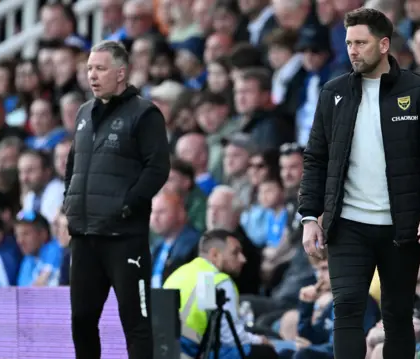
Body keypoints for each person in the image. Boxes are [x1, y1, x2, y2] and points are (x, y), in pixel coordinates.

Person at [297, 8, 420, 359]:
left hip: (401, 224)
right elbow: (315, 159)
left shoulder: (419, 91)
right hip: (348, 225)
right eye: (349, 43)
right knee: (348, 309)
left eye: (361, 43)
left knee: (397, 316)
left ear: (384, 44)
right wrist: (309, 216)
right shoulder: (333, 93)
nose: (353, 50)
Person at [64, 40, 171, 359]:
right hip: (84, 236)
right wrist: (68, 204)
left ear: (121, 73)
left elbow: (158, 167)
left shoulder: (145, 113)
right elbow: (73, 165)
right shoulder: (84, 112)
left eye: (100, 69)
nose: (92, 76)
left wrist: (128, 205)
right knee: (81, 321)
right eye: (89, 69)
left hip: (124, 238)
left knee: (135, 324)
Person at [163, 229, 279, 359]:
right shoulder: (217, 280)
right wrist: (259, 340)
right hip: (191, 351)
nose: (243, 259)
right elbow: (229, 337)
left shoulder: (180, 273)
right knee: (264, 353)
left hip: (166, 350)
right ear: (215, 255)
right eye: (235, 253)